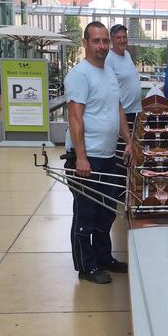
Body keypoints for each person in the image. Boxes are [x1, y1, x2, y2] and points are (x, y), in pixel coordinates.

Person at [64, 21, 134, 285]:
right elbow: (75, 118)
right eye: (97, 41)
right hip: (87, 158)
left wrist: (128, 140)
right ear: (85, 43)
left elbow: (118, 110)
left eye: (105, 41)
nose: (102, 46)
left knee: (107, 211)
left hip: (107, 156)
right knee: (86, 213)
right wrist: (81, 156)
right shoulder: (79, 75)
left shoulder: (108, 73)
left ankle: (104, 257)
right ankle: (87, 265)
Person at [106, 24, 142, 129]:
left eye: (124, 37)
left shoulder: (127, 54)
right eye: (118, 37)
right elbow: (108, 89)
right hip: (122, 113)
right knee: (123, 144)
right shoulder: (109, 59)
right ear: (112, 40)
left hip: (134, 111)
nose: (122, 40)